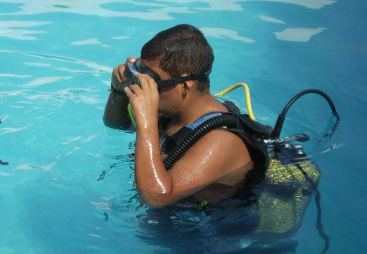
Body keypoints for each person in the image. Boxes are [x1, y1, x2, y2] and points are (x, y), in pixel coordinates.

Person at [103, 24, 268, 208]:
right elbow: (115, 124)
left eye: (152, 81)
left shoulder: (220, 141)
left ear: (186, 84)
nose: (144, 88)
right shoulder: (172, 111)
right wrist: (118, 90)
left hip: (211, 228)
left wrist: (147, 122)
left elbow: (157, 198)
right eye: (138, 74)